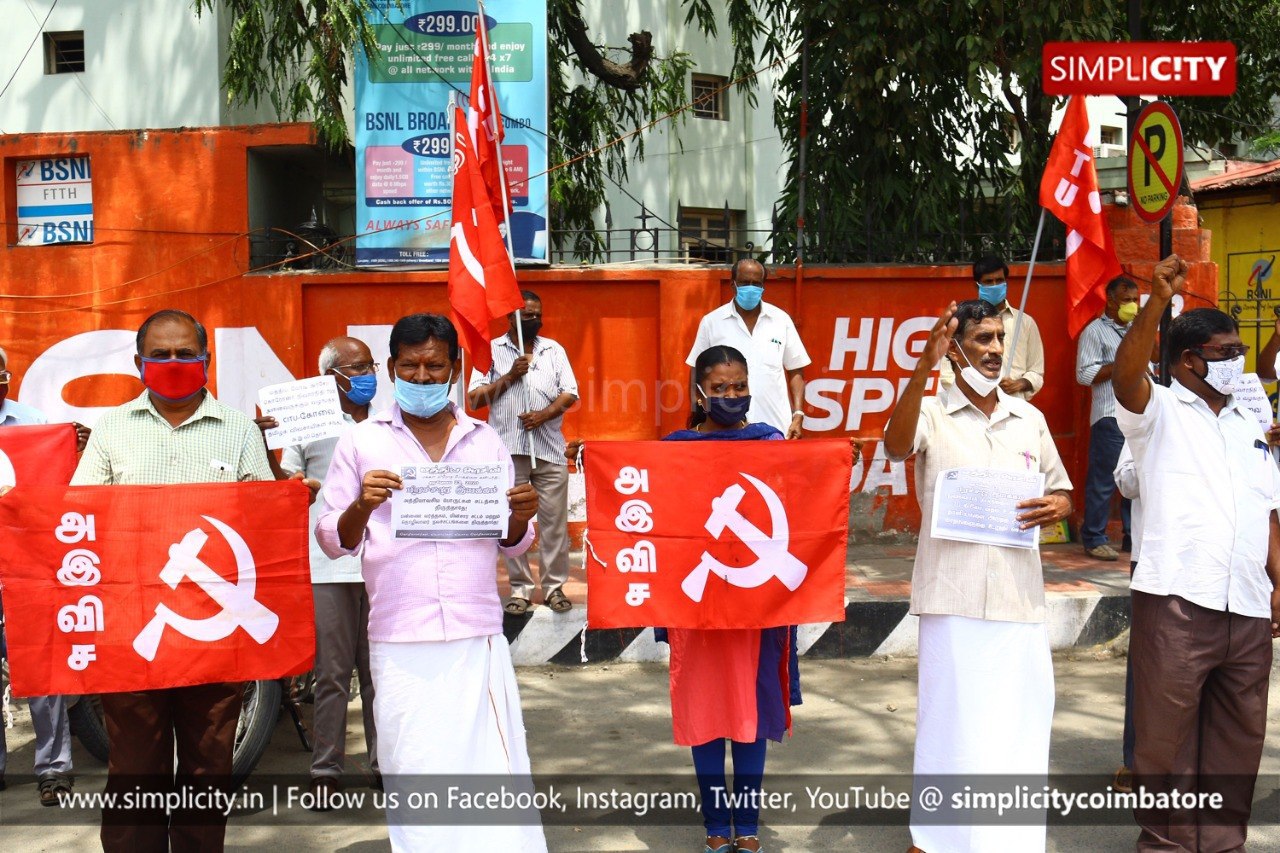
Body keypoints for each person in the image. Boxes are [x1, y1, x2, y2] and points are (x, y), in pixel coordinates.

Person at [315, 314, 546, 852]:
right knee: (414, 767)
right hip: (399, 636)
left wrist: (520, 514)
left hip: (475, 633)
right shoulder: (361, 442)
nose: (422, 378)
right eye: (410, 367)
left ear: (454, 369)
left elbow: (515, 540)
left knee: (491, 769)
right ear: (391, 370)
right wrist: (359, 505)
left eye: (434, 366)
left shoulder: (484, 440)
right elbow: (333, 539)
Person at [71, 309, 275, 851]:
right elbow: (82, 521)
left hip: (215, 635)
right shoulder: (111, 430)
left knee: (208, 771)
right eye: (160, 354)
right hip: (134, 631)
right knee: (136, 768)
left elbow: (263, 528)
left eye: (186, 353)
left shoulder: (238, 431)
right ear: (138, 363)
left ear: (206, 360)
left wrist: (290, 497)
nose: (173, 363)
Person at [884, 299, 1072, 853]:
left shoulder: (1027, 418)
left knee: (1021, 720)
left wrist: (1058, 506)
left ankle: (1007, 838)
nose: (993, 350)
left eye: (998, 339)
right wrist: (923, 368)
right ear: (955, 346)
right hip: (953, 591)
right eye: (982, 339)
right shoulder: (932, 412)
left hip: (1019, 595)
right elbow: (895, 446)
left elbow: (1059, 487)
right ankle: (938, 837)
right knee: (953, 723)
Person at [1111, 255, 1280, 852]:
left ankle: (1222, 844)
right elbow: (1123, 376)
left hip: (1250, 606)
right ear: (1188, 361)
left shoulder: (1248, 423)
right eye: (1226, 353)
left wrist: (1278, 583)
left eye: (1240, 352)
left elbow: (1266, 508)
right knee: (1167, 744)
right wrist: (1156, 302)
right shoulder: (1156, 412)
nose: (1238, 362)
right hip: (1179, 603)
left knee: (1239, 742)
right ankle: (1168, 844)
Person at [660, 344, 801, 853]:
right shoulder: (674, 448)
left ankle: (748, 826)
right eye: (719, 388)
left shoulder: (769, 443)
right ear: (700, 391)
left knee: (750, 711)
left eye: (739, 387)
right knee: (705, 711)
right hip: (697, 608)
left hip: (756, 606)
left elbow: (801, 493)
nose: (731, 396)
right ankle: (715, 826)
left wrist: (834, 461)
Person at [257, 336, 380, 804]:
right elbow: (285, 481)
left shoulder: (393, 422)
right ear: (331, 377)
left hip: (382, 563)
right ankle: (325, 770)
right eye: (357, 366)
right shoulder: (305, 424)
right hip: (329, 566)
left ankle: (384, 764)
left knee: (378, 674)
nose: (367, 374)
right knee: (331, 674)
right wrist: (292, 481)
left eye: (370, 364)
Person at [0, 346, 89, 805]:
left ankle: (54, 769)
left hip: (29, 563)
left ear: (8, 378)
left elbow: (58, 492)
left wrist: (70, 448)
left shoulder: (35, 424)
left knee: (41, 666)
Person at [467, 290, 579, 615]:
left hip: (549, 449)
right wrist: (510, 376)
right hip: (507, 450)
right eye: (527, 315)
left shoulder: (553, 350)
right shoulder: (490, 350)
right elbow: (474, 399)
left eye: (537, 315)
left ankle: (555, 587)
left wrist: (544, 415)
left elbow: (570, 392)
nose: (533, 320)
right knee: (513, 522)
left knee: (554, 522)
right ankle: (520, 589)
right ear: (511, 317)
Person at [686, 259, 811, 438]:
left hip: (775, 426)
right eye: (744, 283)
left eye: (756, 283)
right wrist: (699, 416)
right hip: (727, 430)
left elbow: (796, 370)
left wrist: (798, 415)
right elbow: (695, 373)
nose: (750, 288)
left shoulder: (780, 320)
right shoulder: (712, 322)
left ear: (763, 286)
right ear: (733, 284)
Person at [1076, 275, 1140, 560]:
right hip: (1110, 416)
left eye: (1135, 300)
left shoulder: (1138, 329)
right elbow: (1084, 374)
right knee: (1104, 480)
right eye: (1127, 301)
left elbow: (1153, 360)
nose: (1132, 306)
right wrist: (1122, 365)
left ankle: (1131, 535)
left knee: (1137, 478)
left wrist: (1147, 332)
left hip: (1140, 415)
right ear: (1111, 301)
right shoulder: (1094, 331)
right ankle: (1094, 538)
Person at [939, 256, 1045, 400]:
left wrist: (1019, 384)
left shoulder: (1025, 322)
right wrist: (978, 389)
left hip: (1015, 407)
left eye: (999, 281)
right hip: (970, 409)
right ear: (977, 285)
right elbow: (947, 374)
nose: (995, 285)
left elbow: (1036, 372)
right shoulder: (961, 322)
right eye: (989, 282)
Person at [1111, 442, 1141, 793]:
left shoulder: (1249, 410)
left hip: (1237, 558)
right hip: (1161, 559)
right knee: (1151, 663)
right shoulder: (1155, 406)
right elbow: (1127, 481)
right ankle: (1139, 760)